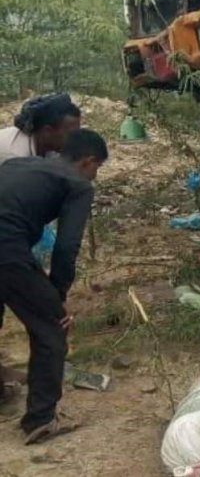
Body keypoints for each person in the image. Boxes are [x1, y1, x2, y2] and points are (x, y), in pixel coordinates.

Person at [0, 129, 108, 444]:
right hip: (6, 249)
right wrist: (56, 297)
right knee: (51, 329)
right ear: (88, 161)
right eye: (97, 168)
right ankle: (41, 420)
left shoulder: (18, 165)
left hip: (8, 247)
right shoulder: (78, 185)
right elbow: (65, 247)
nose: (94, 176)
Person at [0, 93, 82, 164]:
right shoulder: (15, 158)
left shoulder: (48, 144)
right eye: (71, 135)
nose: (75, 140)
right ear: (47, 131)